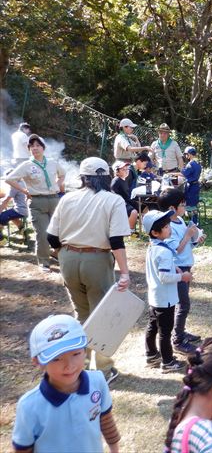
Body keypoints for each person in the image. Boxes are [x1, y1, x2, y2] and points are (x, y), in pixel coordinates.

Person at [47, 157, 131, 383]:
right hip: (96, 259)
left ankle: (81, 367)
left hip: (68, 258)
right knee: (101, 316)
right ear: (106, 177)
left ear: (83, 177)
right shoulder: (113, 201)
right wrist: (124, 272)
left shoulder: (68, 199)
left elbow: (51, 237)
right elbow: (116, 241)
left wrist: (65, 254)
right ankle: (102, 370)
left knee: (81, 314)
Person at [12, 314, 121, 453]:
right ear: (38, 362)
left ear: (85, 351)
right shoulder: (29, 406)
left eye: (76, 354)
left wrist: (114, 449)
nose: (69, 365)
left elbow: (106, 420)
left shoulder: (97, 381)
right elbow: (23, 448)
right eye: (57, 359)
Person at [5, 134, 65, 272]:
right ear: (29, 149)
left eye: (38, 145)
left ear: (43, 148)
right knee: (42, 234)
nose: (35, 148)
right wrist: (25, 191)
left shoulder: (52, 163)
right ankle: (44, 262)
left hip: (54, 200)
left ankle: (58, 254)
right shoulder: (26, 165)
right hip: (37, 201)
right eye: (32, 146)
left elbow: (62, 174)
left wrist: (58, 185)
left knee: (58, 231)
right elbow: (9, 179)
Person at [157, 188, 206, 356]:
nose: (185, 207)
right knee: (184, 304)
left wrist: (195, 240)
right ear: (172, 208)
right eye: (182, 204)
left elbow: (186, 245)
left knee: (182, 303)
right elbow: (176, 249)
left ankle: (181, 331)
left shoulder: (179, 221)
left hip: (186, 265)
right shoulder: (168, 226)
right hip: (179, 269)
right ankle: (177, 340)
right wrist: (187, 235)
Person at [142, 210, 191, 372]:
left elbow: (159, 268)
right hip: (165, 299)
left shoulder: (153, 247)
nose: (169, 228)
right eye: (165, 227)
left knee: (152, 326)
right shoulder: (163, 251)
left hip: (154, 297)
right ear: (155, 232)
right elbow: (163, 276)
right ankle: (168, 362)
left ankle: (151, 355)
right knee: (165, 332)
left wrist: (174, 267)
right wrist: (182, 276)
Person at [0, 171, 28, 246]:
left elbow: (6, 201)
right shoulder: (23, 183)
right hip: (26, 208)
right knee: (12, 216)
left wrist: (0, 210)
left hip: (20, 210)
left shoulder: (14, 186)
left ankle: (1, 240)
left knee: (1, 216)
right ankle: (22, 229)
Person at [110, 160, 139, 232]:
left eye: (127, 169)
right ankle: (130, 231)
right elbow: (112, 194)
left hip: (126, 201)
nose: (126, 171)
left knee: (143, 207)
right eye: (123, 169)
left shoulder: (124, 179)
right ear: (117, 172)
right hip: (118, 203)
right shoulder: (116, 181)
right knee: (134, 212)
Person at [180, 146, 202, 224]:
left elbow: (184, 174)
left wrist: (171, 173)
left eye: (186, 154)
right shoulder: (198, 162)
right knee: (194, 205)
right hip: (196, 186)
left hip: (191, 187)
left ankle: (193, 223)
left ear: (189, 154)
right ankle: (194, 221)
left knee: (191, 206)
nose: (186, 156)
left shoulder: (191, 164)